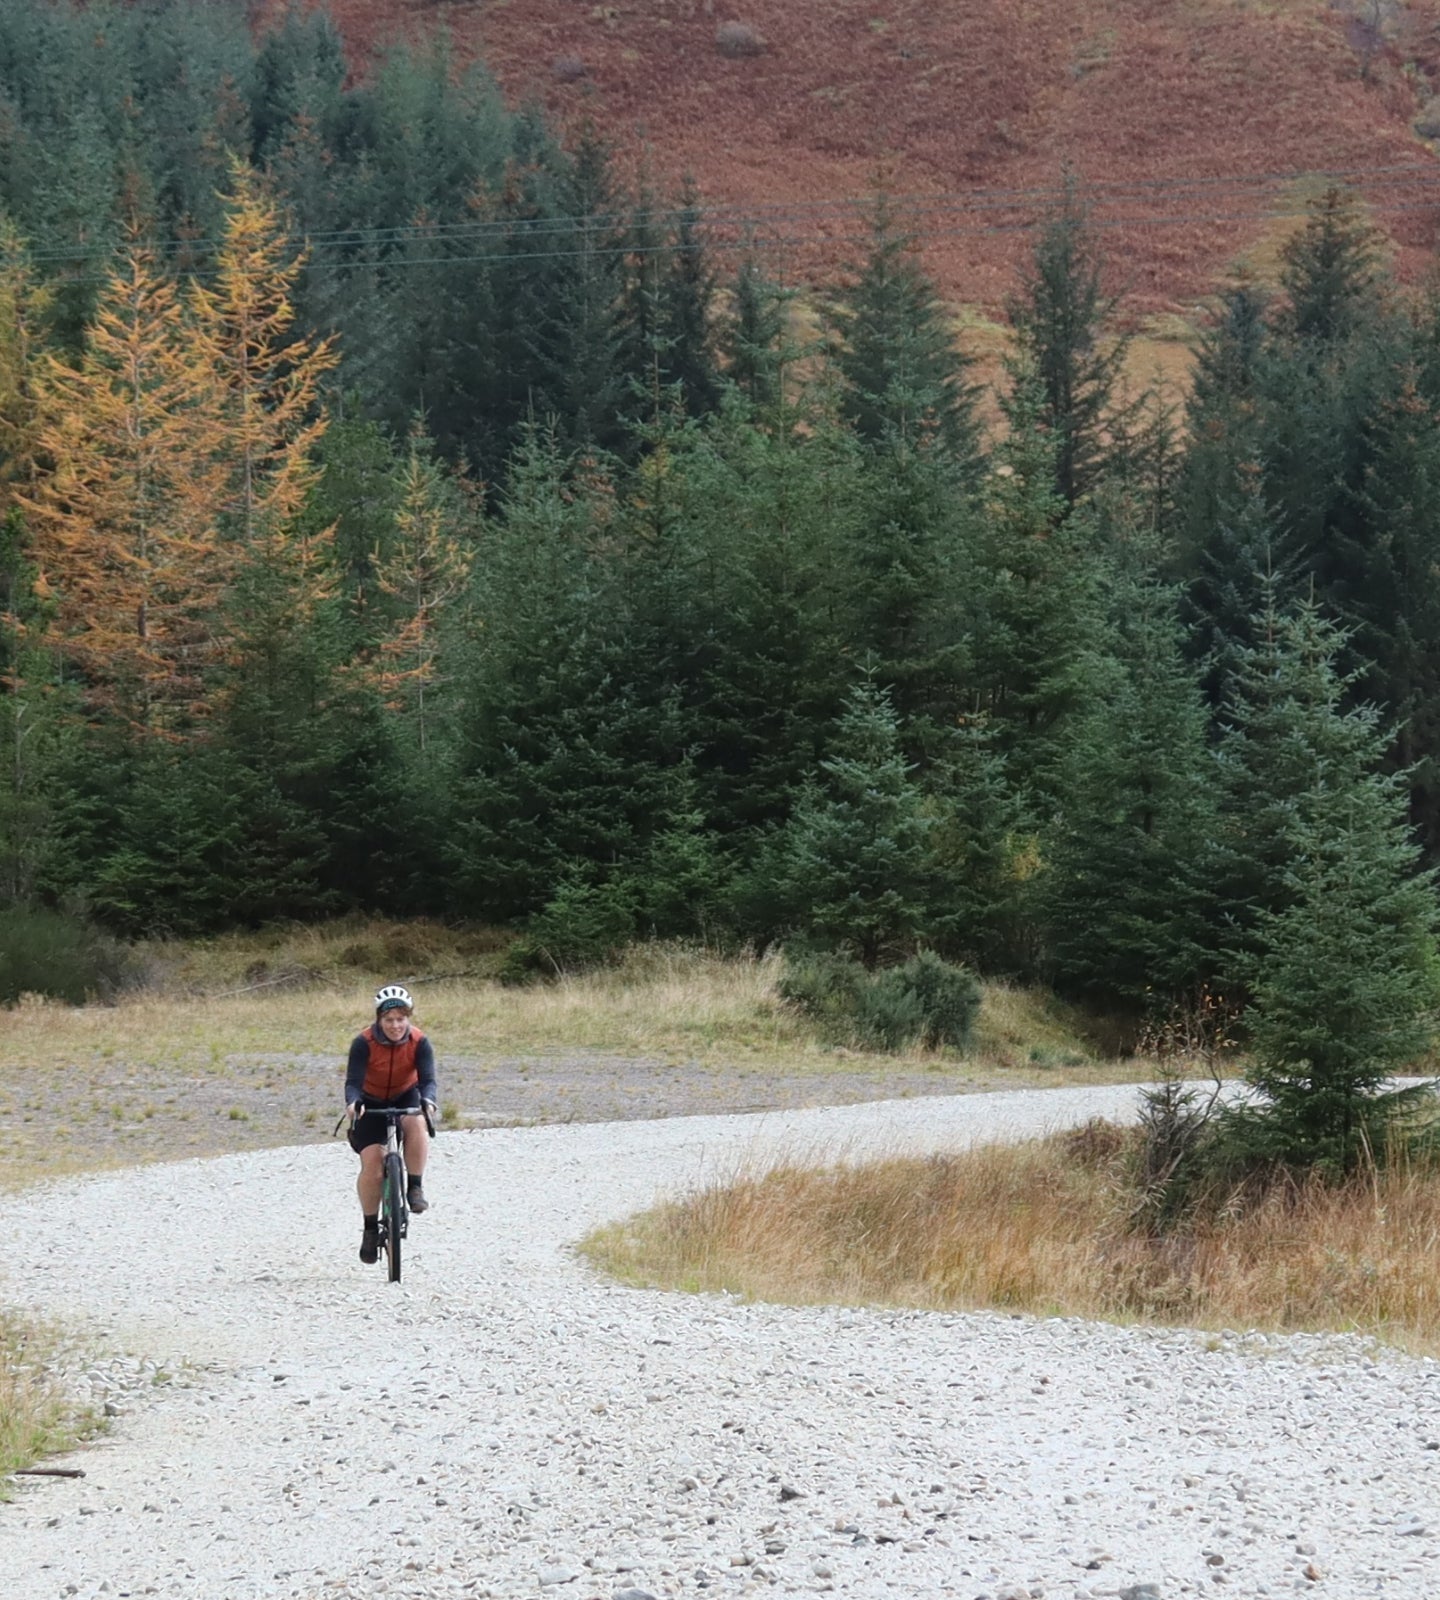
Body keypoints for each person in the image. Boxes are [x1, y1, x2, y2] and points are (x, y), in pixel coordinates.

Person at [345, 983, 438, 1264]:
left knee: (416, 1121)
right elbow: (353, 1082)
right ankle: (371, 1229)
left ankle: (415, 1187)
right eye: (388, 1020)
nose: (395, 1025)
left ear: (408, 1019)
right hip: (370, 1102)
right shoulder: (363, 1042)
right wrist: (353, 1103)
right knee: (373, 1167)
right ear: (379, 1020)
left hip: (405, 1094)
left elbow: (428, 1080)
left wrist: (429, 1100)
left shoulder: (420, 1042)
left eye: (400, 1019)